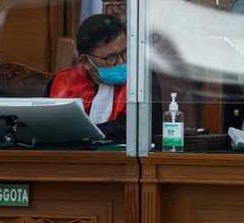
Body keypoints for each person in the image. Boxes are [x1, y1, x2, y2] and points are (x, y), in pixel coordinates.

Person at [48, 14, 161, 143]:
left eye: (125, 52)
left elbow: (141, 126)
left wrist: (83, 133)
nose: (121, 62)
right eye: (110, 58)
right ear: (86, 61)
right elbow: (50, 128)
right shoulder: (62, 82)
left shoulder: (142, 79)